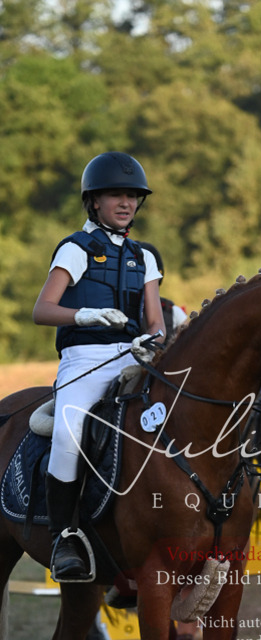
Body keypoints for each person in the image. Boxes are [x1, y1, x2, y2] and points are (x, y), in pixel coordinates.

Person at [33, 151, 165, 582]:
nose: (125, 203)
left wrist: (153, 340)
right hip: (85, 359)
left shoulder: (145, 256)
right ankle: (64, 536)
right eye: (115, 196)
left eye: (132, 196)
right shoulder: (76, 248)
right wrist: (84, 315)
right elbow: (42, 310)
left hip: (132, 356)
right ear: (94, 202)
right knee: (70, 428)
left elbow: (155, 320)